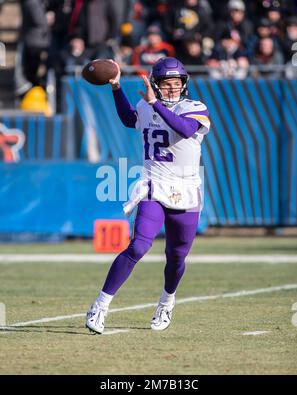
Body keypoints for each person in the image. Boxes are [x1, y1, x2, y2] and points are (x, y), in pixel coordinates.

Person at [86, 57, 210, 334]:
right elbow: (130, 119)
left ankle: (166, 302)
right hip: (154, 185)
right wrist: (116, 88)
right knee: (138, 247)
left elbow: (185, 129)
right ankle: (100, 305)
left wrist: (155, 103)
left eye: (176, 84)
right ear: (156, 84)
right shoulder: (146, 105)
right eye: (166, 84)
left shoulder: (195, 107)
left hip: (187, 190)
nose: (172, 89)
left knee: (176, 257)